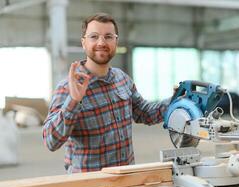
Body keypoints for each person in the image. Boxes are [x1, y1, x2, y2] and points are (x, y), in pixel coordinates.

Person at [42, 13, 169, 174]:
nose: (101, 42)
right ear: (83, 43)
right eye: (94, 37)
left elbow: (145, 113)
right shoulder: (68, 87)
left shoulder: (122, 78)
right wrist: (73, 101)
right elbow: (50, 141)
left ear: (116, 41)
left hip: (125, 182)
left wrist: (176, 100)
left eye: (108, 36)